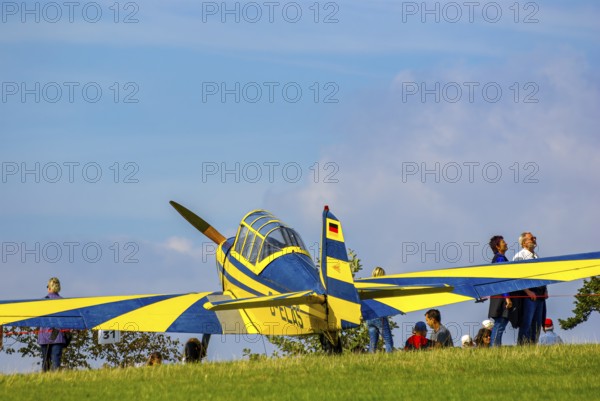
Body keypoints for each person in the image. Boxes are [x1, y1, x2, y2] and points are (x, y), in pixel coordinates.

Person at [513, 232, 547, 345]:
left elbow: (543, 275)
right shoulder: (519, 256)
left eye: (534, 238)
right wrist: (528, 291)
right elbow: (517, 277)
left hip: (540, 295)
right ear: (524, 243)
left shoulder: (537, 256)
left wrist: (545, 289)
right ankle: (522, 346)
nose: (534, 239)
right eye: (531, 238)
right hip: (529, 295)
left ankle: (533, 346)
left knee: (537, 324)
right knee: (526, 323)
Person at [487, 235, 513, 346]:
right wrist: (507, 298)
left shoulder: (498, 258)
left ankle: (496, 347)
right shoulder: (500, 259)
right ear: (498, 246)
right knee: (500, 322)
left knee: (500, 323)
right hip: (501, 297)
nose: (506, 243)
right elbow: (502, 279)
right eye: (503, 242)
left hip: (498, 296)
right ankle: (494, 348)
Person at [38, 277, 68, 372]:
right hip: (57, 333)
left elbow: (38, 320)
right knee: (56, 361)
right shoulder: (63, 302)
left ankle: (44, 382)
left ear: (49, 288)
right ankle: (55, 380)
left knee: (45, 361)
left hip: (43, 334)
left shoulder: (42, 301)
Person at [367, 267, 394, 353]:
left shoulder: (367, 286)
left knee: (372, 343)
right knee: (388, 340)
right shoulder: (381, 286)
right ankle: (389, 358)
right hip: (379, 315)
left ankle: (371, 360)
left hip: (369, 317)